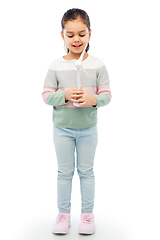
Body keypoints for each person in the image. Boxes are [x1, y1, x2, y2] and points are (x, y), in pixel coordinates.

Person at [42, 8, 111, 235]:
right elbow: (46, 96)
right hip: (62, 129)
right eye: (70, 35)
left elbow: (106, 96)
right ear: (62, 36)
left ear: (90, 33)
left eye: (81, 34)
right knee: (64, 173)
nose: (76, 39)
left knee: (86, 172)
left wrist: (93, 100)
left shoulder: (98, 65)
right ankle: (63, 214)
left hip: (88, 130)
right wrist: (64, 96)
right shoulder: (56, 65)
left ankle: (87, 215)